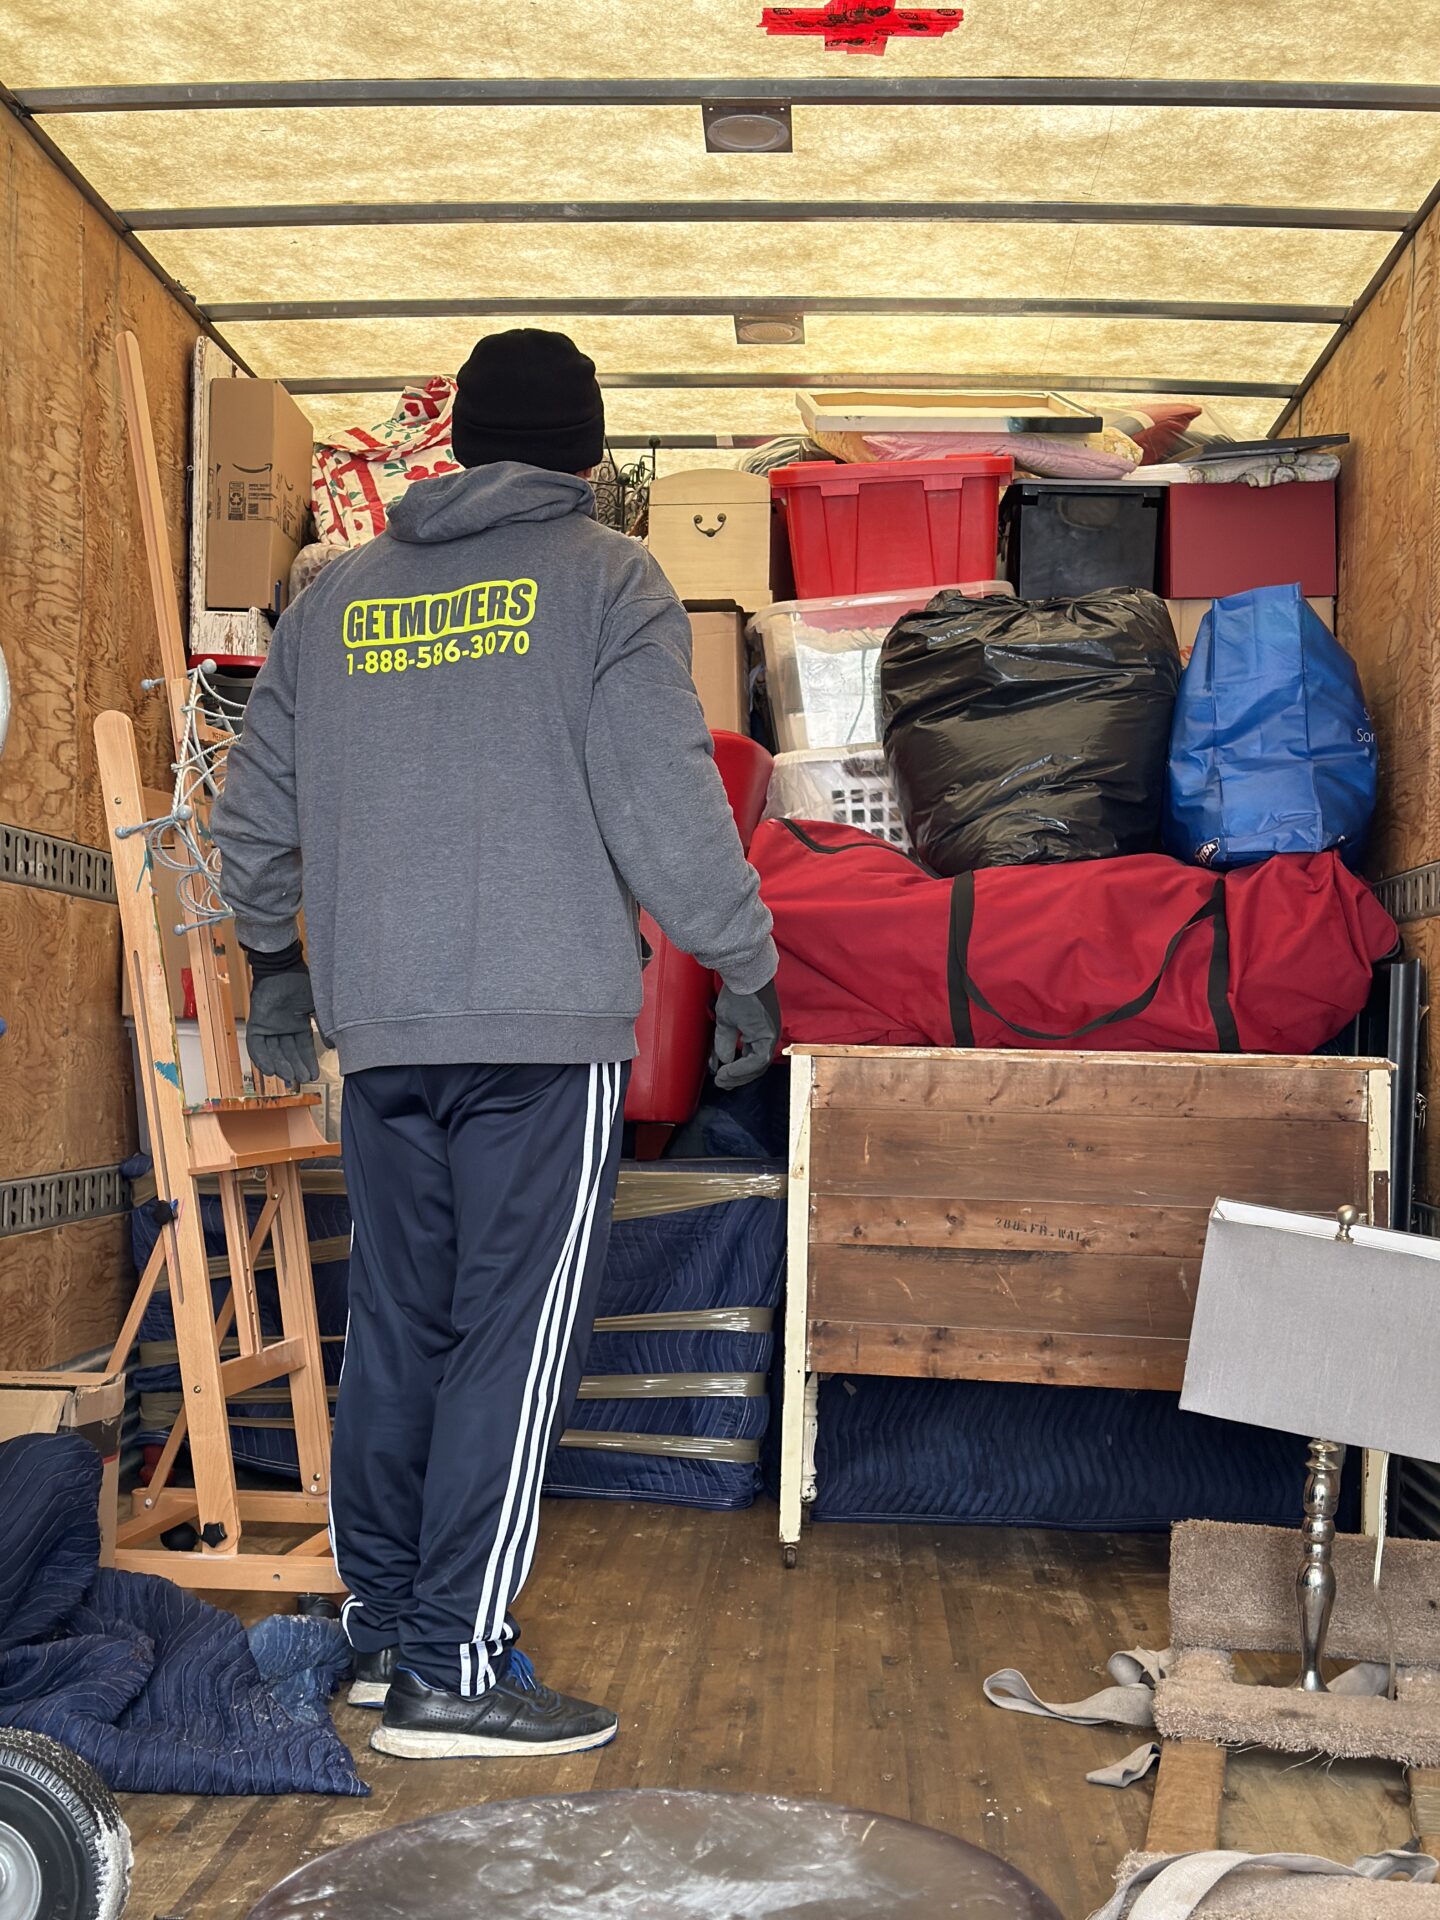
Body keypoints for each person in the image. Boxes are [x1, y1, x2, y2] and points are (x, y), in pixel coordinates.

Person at [212, 329, 780, 1761]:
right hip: (538, 1030)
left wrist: (277, 969)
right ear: (587, 452)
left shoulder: (332, 596)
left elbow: (253, 815)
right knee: (514, 1344)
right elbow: (663, 793)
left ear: (456, 444)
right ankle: (457, 1673)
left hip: (384, 1033)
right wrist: (747, 965)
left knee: (401, 1326)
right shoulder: (606, 581)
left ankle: (386, 1628)